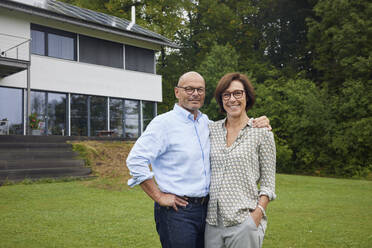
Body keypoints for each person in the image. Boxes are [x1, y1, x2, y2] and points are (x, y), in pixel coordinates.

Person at [126, 71, 270, 248]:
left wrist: (261, 122)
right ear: (177, 92)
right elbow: (135, 160)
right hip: (177, 213)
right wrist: (159, 196)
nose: (195, 93)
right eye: (189, 89)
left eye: (200, 89)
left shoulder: (208, 124)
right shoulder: (163, 124)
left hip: (208, 213)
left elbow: (237, 124)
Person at [205, 72, 276, 248]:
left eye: (238, 93)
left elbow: (268, 183)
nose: (232, 99)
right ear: (221, 99)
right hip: (212, 223)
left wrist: (256, 215)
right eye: (226, 95)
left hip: (244, 222)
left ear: (247, 96)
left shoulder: (262, 133)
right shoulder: (210, 130)